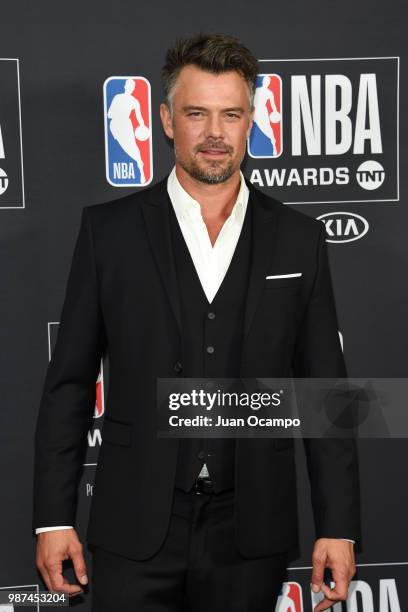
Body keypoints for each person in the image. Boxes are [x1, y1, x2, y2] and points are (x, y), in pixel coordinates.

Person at [33, 33, 361, 612]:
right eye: (197, 114)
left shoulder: (298, 240)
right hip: (133, 524)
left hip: (251, 528)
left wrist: (338, 525)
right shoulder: (108, 233)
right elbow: (68, 384)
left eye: (231, 114)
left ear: (250, 120)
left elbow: (326, 395)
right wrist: (52, 519)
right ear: (166, 120)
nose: (215, 133)